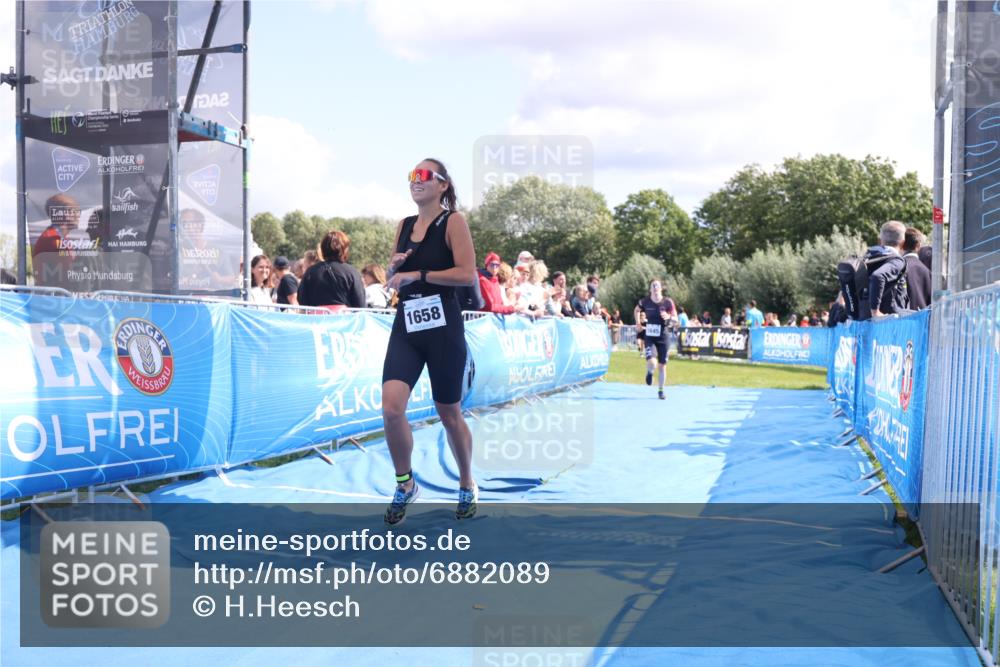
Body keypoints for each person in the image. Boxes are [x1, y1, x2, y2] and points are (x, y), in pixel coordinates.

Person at [381, 158, 478, 525]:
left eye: (423, 176)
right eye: (411, 176)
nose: (415, 181)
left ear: (442, 185)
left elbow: (467, 274)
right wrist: (395, 268)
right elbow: (395, 274)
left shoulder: (453, 221)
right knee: (391, 408)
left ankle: (466, 481)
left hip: (443, 325)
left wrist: (419, 273)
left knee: (449, 413)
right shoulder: (404, 225)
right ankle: (405, 484)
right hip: (408, 321)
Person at [297, 230, 366, 309]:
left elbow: (302, 300)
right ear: (344, 249)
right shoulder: (352, 272)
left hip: (317, 319)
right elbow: (360, 304)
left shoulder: (310, 272)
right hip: (345, 320)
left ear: (323, 248)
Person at [634, 278, 676, 400]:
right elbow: (637, 310)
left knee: (662, 365)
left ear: (661, 288)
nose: (655, 287)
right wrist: (638, 323)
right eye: (653, 285)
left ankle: (661, 391)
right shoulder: (645, 302)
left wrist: (668, 316)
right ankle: (650, 372)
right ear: (650, 289)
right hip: (650, 336)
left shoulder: (668, 302)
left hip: (664, 336)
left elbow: (676, 319)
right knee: (652, 363)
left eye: (657, 285)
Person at [33, 193, 81, 288]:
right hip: (55, 299)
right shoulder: (51, 239)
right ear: (59, 213)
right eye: (72, 210)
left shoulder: (60, 237)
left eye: (78, 211)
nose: (77, 215)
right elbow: (69, 273)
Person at [868, 221, 910, 318]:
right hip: (889, 323)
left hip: (865, 321)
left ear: (880, 240)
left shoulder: (870, 257)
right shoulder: (897, 261)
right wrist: (875, 312)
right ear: (903, 242)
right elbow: (878, 276)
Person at [903, 227, 931, 310]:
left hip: (901, 319)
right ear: (918, 246)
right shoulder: (926, 271)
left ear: (901, 244)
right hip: (922, 319)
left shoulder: (898, 267)